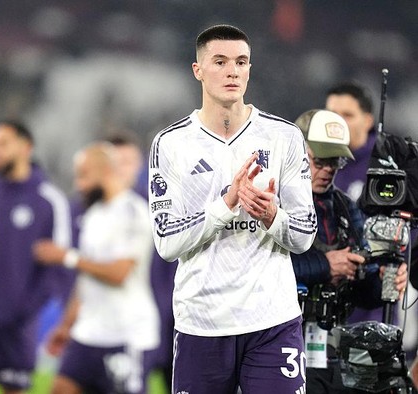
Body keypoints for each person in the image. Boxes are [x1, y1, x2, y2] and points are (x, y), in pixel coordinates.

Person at [148, 24, 317, 393]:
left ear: (250, 69)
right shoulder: (171, 143)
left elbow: (304, 235)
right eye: (220, 61)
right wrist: (226, 205)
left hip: (272, 321)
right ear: (198, 70)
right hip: (201, 324)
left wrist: (272, 215)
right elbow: (166, 243)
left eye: (241, 62)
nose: (232, 71)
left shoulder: (284, 136)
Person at [291, 109, 408, 393]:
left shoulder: (345, 207)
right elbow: (262, 267)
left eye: (335, 161)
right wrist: (326, 265)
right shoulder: (274, 203)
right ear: (295, 151)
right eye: (319, 160)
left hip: (331, 348)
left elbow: (365, 291)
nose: (328, 169)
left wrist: (385, 280)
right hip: (280, 343)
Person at [0, 120, 72, 394]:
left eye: (3, 143)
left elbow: (58, 266)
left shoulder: (49, 200)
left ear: (26, 147)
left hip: (15, 327)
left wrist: (24, 310)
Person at [33, 142, 159, 394]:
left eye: (84, 175)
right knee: (60, 388)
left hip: (125, 334)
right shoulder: (93, 215)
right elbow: (85, 280)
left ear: (106, 172)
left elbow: (118, 274)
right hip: (88, 332)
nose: (79, 184)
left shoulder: (133, 211)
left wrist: (67, 257)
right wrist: (67, 325)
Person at [106, 133, 177, 390]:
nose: (125, 168)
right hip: (122, 322)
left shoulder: (158, 209)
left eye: (130, 161)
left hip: (169, 320)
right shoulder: (91, 212)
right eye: (118, 162)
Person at [325, 82, 376, 201]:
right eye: (332, 114)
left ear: (368, 121)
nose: (338, 122)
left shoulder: (387, 163)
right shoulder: (310, 158)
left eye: (347, 115)